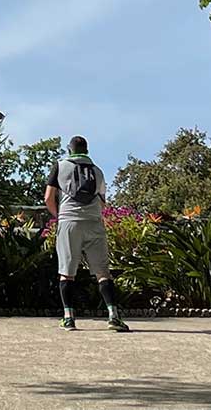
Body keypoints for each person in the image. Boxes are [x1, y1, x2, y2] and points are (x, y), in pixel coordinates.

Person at [44, 135, 129, 332]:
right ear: (87, 151)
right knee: (102, 272)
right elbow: (102, 201)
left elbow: (48, 198)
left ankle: (68, 318)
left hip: (68, 222)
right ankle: (113, 316)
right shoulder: (97, 171)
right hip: (93, 222)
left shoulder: (60, 166)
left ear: (69, 150)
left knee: (67, 273)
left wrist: (60, 216)